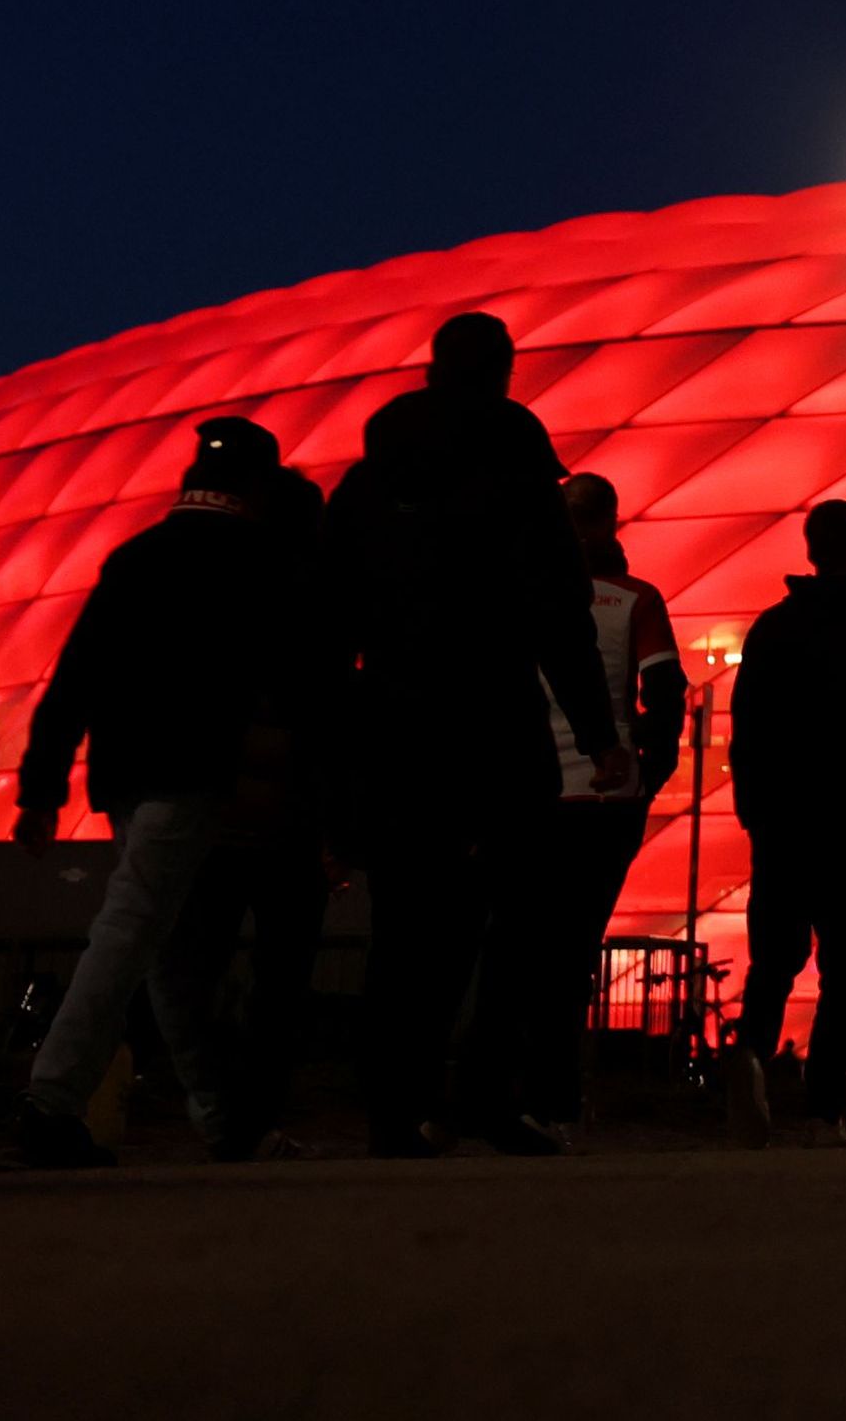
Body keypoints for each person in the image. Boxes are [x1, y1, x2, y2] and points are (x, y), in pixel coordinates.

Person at [324, 315, 622, 1157]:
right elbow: (559, 612)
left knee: (406, 921)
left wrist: (339, 739)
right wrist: (599, 732)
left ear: (430, 370)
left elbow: (327, 616)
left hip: (392, 718)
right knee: (522, 912)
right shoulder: (517, 467)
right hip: (494, 715)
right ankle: (487, 1096)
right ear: (503, 373)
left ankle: (393, 1109)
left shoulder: (368, 481)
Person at [6, 417, 335, 1165]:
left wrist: (42, 787)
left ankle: (224, 1121)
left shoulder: (136, 556)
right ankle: (51, 1099)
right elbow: (300, 685)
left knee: (165, 950)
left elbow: (76, 675)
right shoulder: (258, 561)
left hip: (122, 772)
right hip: (194, 773)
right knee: (131, 931)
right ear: (256, 486)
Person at [493, 473, 681, 1138]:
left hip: (528, 789)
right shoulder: (634, 599)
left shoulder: (514, 595)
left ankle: (503, 1092)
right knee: (573, 949)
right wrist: (648, 775)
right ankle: (555, 1102)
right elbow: (664, 695)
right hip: (605, 798)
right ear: (612, 522)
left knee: (520, 942)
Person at [727, 498, 846, 1137]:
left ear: (810, 551)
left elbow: (745, 730)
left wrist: (755, 811)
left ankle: (751, 1060)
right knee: (841, 968)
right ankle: (823, 1107)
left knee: (774, 957)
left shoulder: (772, 629)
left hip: (782, 822)